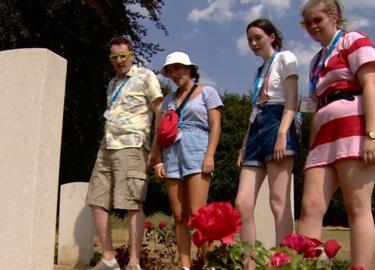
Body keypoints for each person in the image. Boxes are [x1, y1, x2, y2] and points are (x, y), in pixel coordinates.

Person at [297, 1, 375, 269]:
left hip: (354, 128)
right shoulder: (315, 61)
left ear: (333, 16)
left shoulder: (353, 40)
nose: (312, 27)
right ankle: (305, 266)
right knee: (309, 207)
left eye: (317, 20)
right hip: (323, 134)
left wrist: (371, 134)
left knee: (356, 206)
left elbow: (369, 85)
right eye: (307, 23)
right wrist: (311, 148)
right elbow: (313, 108)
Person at [86, 36, 163, 270]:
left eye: (123, 56)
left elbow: (160, 111)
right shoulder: (112, 84)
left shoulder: (145, 76)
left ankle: (134, 262)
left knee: (131, 203)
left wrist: (156, 149)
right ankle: (108, 258)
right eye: (114, 57)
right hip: (107, 145)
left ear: (131, 55)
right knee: (95, 199)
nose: (119, 61)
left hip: (133, 145)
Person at [234, 18, 299, 268]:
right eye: (249, 39)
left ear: (272, 36)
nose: (253, 43)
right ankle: (249, 264)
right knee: (242, 203)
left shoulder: (286, 58)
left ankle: (284, 263)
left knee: (278, 201)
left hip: (278, 121)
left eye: (257, 37)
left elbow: (292, 99)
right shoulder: (259, 71)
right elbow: (254, 109)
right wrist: (244, 143)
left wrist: (283, 133)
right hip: (257, 128)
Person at [151, 51, 222, 270]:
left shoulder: (207, 92)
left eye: (178, 68)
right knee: (179, 215)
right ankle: (184, 265)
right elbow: (159, 132)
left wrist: (210, 154)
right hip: (172, 156)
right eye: (170, 71)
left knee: (198, 214)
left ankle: (210, 264)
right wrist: (158, 160)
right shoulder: (168, 101)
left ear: (190, 68)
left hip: (197, 153)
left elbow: (216, 125)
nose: (175, 74)